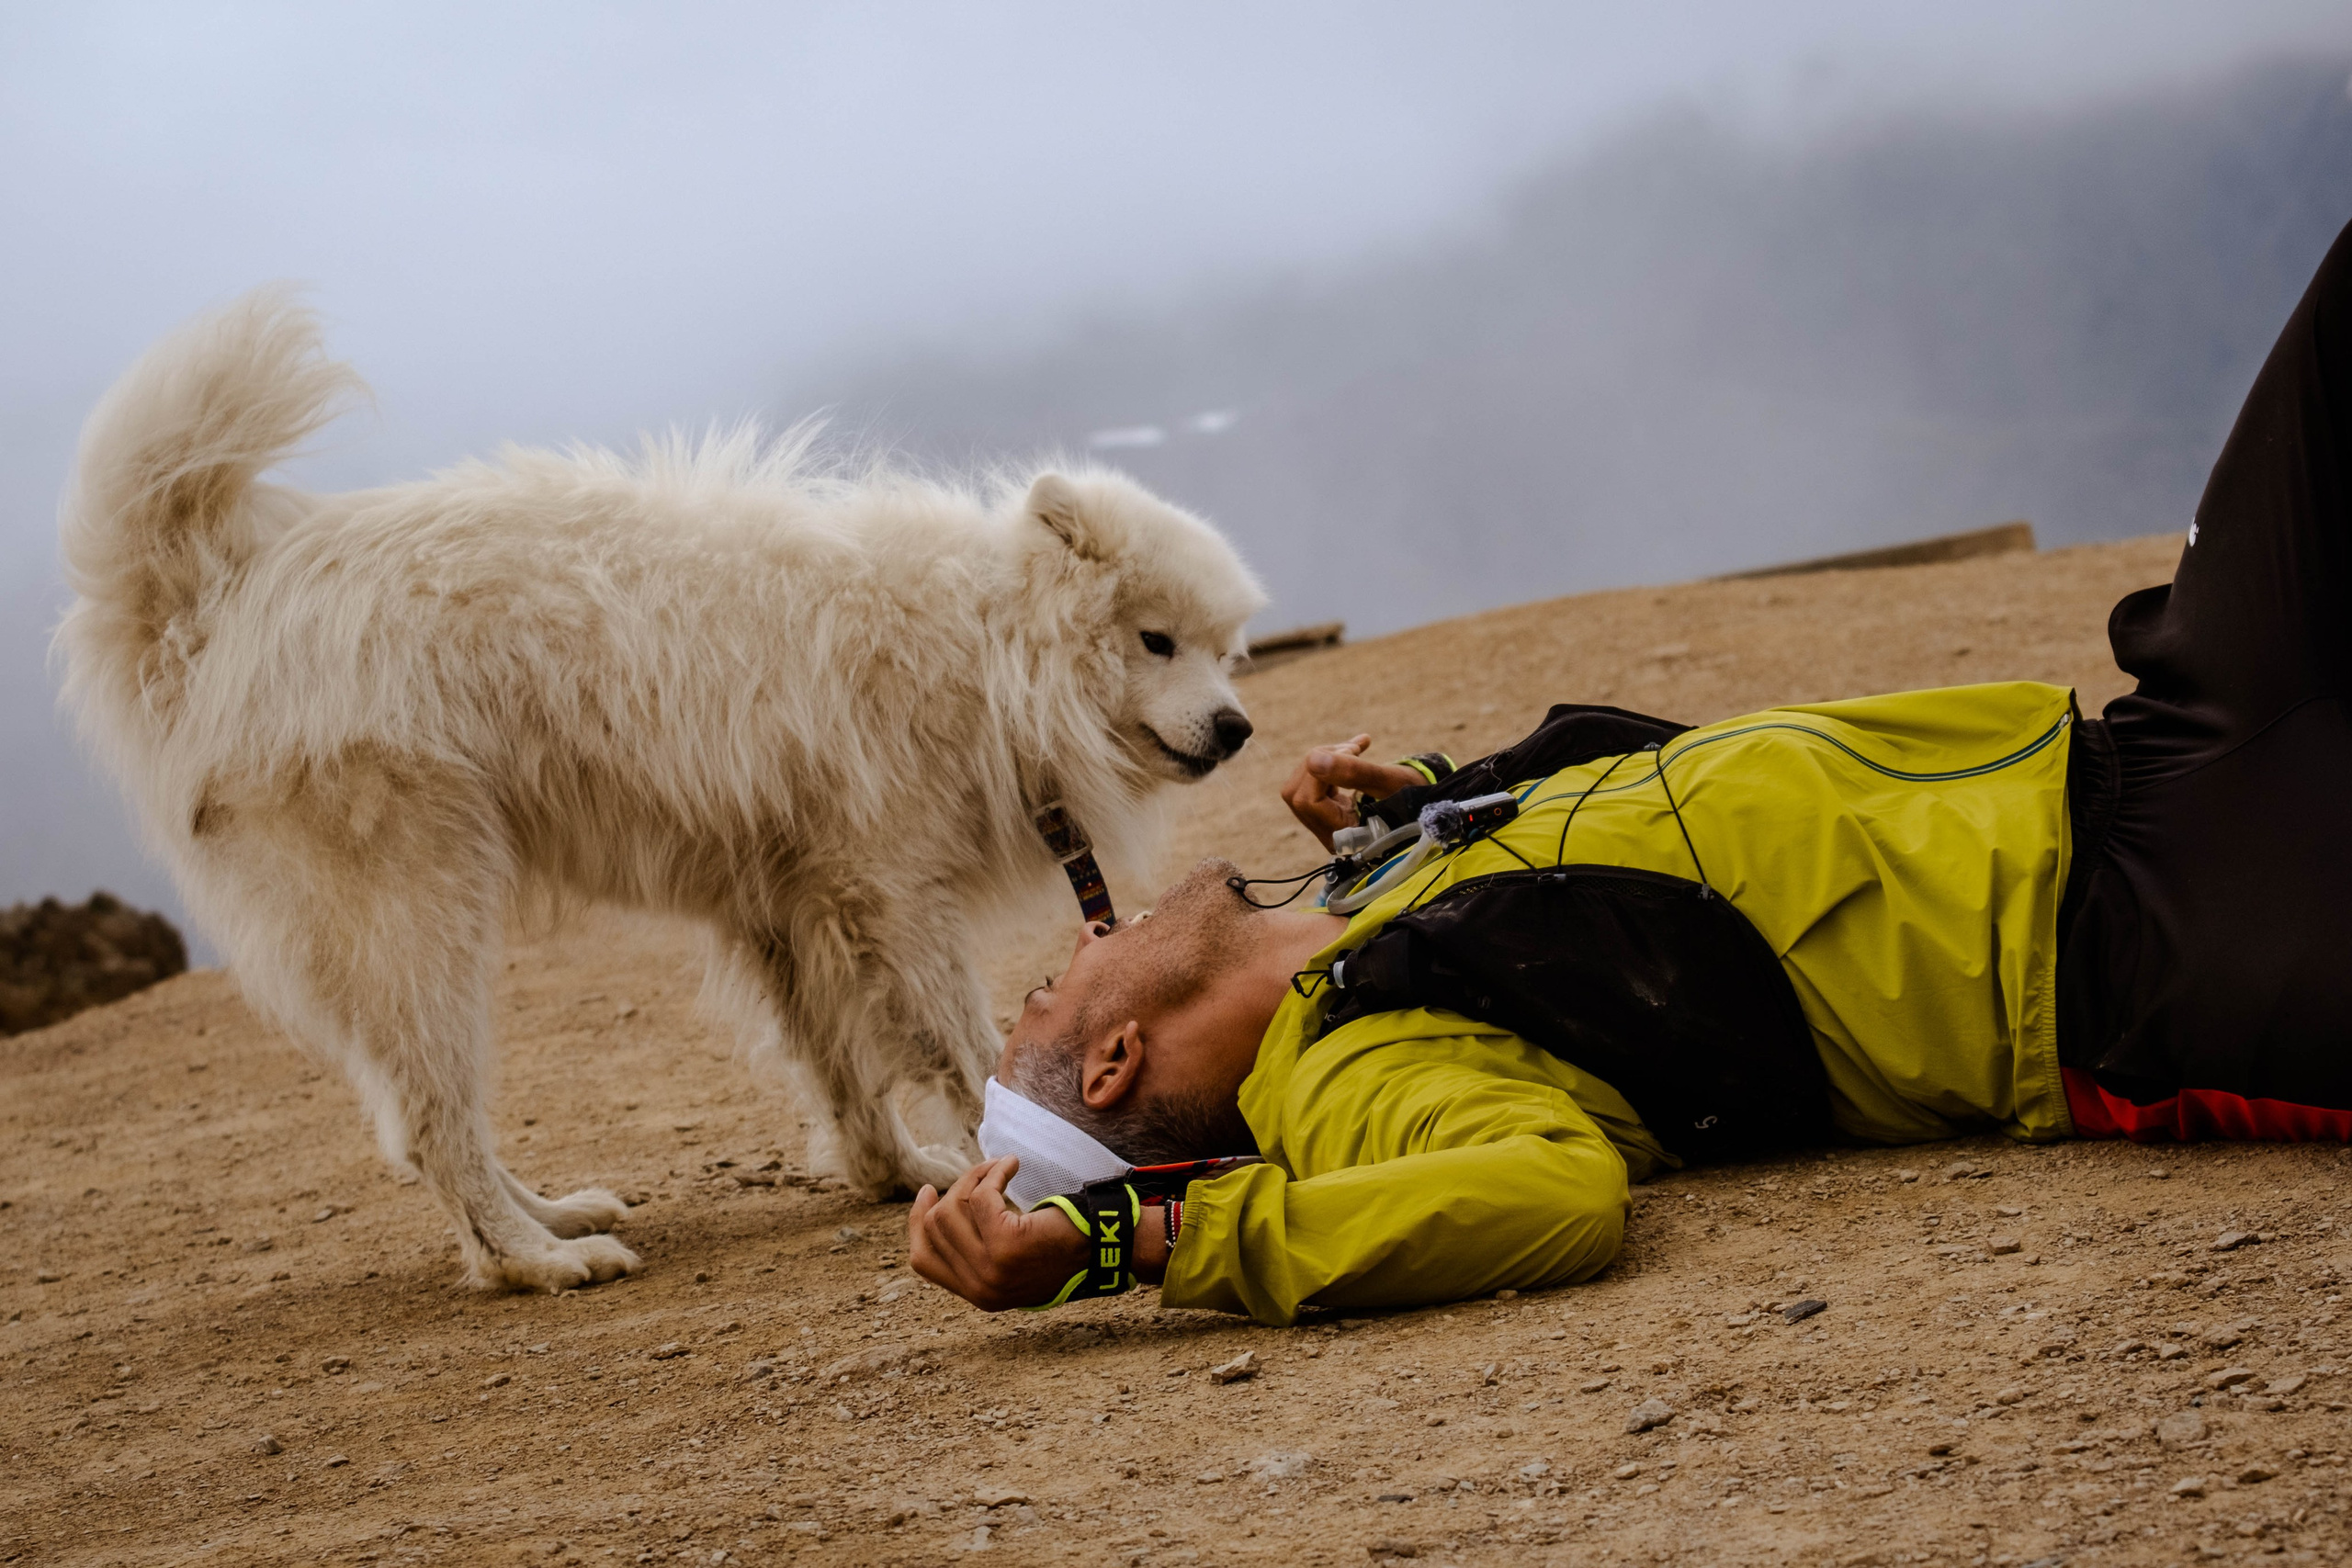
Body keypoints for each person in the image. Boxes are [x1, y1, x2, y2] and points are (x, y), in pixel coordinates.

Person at [908, 216, 2352, 1326]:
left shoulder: (1390, 901)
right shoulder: (1356, 1079)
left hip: (2136, 746)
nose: (1076, 943)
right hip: (2138, 959)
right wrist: (1127, 1240)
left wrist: (1429, 791)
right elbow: (1545, 1196)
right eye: (1050, 990)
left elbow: (1630, 821)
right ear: (1112, 1058)